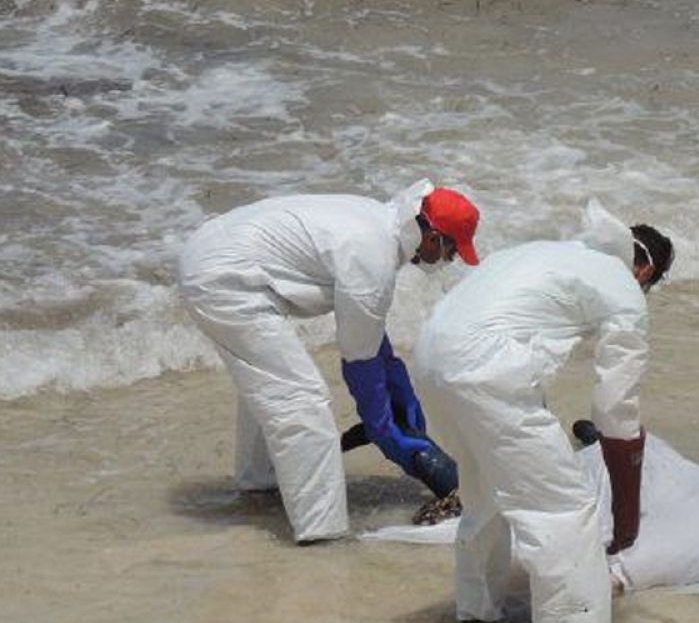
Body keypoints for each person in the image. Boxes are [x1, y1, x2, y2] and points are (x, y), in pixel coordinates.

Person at [411, 200, 672, 623]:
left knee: (485, 487)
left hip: (430, 359)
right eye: (650, 286)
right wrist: (628, 518)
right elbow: (616, 415)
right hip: (485, 370)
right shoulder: (623, 289)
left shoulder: (545, 253)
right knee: (564, 512)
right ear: (643, 269)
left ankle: (478, 612)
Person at [177, 180, 479, 543]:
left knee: (269, 382)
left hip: (215, 252)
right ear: (432, 238)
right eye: (452, 251)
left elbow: (367, 333)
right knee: (300, 397)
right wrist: (386, 431)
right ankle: (321, 530)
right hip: (223, 277)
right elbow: (359, 363)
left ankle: (259, 479)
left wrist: (400, 393)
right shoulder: (371, 256)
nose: (450, 260)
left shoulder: (377, 225)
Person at [363, 420, 699, 595]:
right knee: (493, 503)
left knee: (513, 488)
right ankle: (410, 446)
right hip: (634, 479)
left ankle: (588, 435)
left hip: (645, 460)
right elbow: (609, 579)